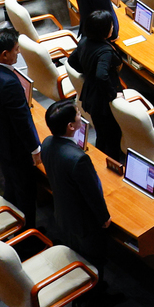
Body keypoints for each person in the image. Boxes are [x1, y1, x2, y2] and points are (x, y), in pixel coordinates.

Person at [40, 99, 114, 277]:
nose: (81, 117)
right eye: (78, 115)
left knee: (78, 252)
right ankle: (95, 295)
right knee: (94, 261)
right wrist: (104, 217)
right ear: (71, 126)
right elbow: (91, 193)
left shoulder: (48, 143)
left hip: (64, 215)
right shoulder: (78, 159)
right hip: (85, 223)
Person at [0, 28, 41, 229]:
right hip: (16, 149)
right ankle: (28, 236)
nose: (18, 53)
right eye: (16, 50)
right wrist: (35, 149)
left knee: (12, 185)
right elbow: (21, 121)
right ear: (5, 54)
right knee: (27, 193)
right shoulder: (9, 84)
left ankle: (10, 223)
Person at [68, 9, 124, 160]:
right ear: (105, 29)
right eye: (111, 25)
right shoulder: (104, 50)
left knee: (101, 134)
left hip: (90, 96)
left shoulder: (85, 40)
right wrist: (113, 94)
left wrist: (87, 72)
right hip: (103, 102)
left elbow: (72, 60)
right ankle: (112, 167)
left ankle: (99, 160)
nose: (113, 28)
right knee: (112, 137)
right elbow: (101, 75)